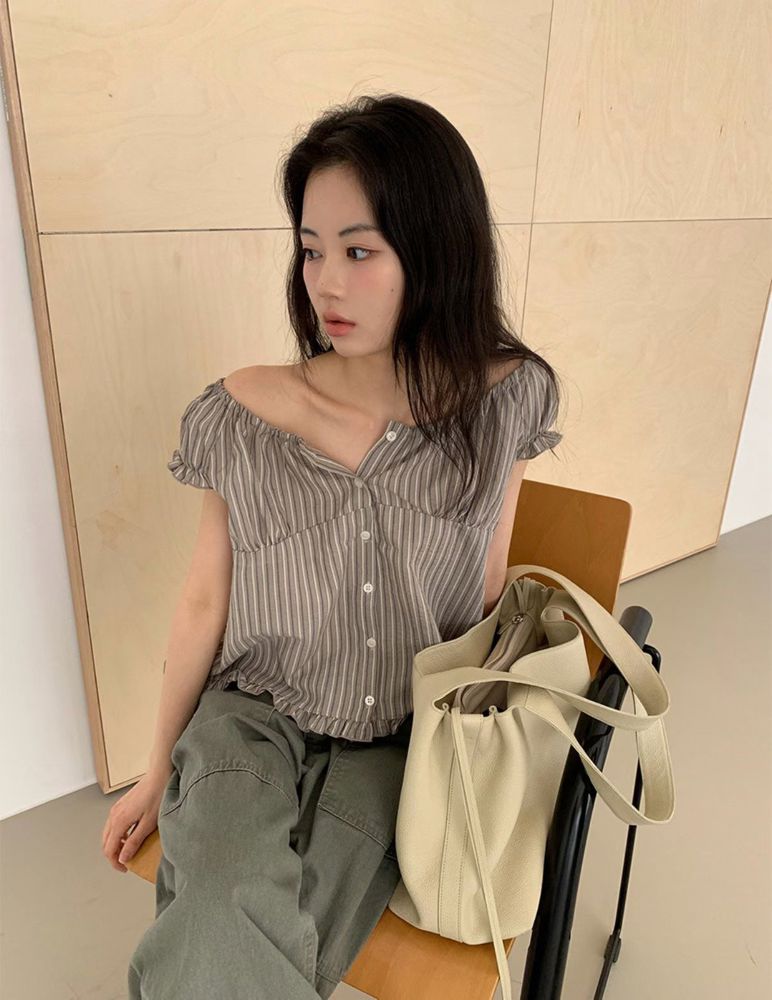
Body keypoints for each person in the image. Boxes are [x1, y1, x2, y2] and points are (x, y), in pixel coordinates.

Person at [102, 92, 563, 999]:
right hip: (252, 715)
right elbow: (204, 602)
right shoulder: (241, 412)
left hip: (397, 741)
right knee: (222, 894)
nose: (326, 283)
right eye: (312, 250)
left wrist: (475, 754)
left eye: (359, 251)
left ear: (435, 249)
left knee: (287, 924)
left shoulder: (508, 400)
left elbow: (486, 585)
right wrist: (158, 772)